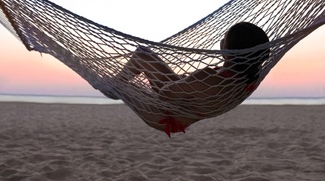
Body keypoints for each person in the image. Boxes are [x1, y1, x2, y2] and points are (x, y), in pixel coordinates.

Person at [113, 22, 270, 137]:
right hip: (182, 108)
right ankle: (112, 85)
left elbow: (164, 94)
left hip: (163, 114)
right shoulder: (251, 79)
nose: (222, 41)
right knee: (143, 54)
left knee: (121, 84)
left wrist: (187, 80)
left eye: (224, 39)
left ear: (228, 51)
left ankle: (110, 87)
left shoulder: (207, 77)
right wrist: (186, 83)